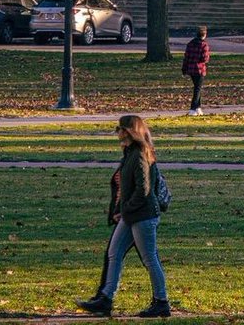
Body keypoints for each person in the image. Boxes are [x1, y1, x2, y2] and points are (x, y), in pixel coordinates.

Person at [76, 114, 171, 319]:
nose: (117, 132)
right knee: (114, 252)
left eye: (119, 129)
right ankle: (106, 298)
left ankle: (162, 301)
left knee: (149, 258)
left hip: (143, 215)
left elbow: (143, 190)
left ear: (129, 131)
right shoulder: (129, 153)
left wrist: (126, 209)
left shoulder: (139, 155)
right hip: (131, 215)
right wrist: (122, 210)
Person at [182, 25, 210, 116]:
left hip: (191, 69)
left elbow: (186, 57)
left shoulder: (190, 44)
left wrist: (184, 68)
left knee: (197, 88)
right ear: (204, 34)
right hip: (200, 69)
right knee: (197, 89)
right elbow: (205, 59)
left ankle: (198, 107)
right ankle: (193, 108)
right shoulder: (204, 45)